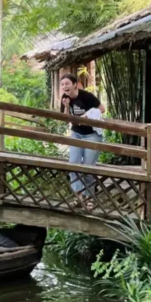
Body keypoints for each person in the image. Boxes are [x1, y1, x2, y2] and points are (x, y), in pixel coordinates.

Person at [59, 73, 106, 209]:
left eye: (67, 83)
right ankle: (79, 197)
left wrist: (86, 115)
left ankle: (89, 198)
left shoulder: (86, 96)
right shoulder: (65, 98)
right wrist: (67, 107)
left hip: (92, 134)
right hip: (76, 133)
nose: (64, 87)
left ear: (75, 84)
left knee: (87, 167)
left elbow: (102, 109)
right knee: (73, 165)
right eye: (62, 84)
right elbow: (66, 119)